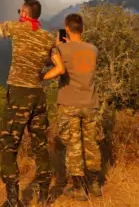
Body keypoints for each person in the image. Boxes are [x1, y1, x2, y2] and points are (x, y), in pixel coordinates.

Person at [0, 0, 65, 207]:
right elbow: (60, 68)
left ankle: (13, 200)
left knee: (9, 146)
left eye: (20, 11)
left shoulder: (17, 28)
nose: (19, 13)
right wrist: (41, 77)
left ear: (25, 14)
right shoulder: (47, 37)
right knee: (40, 145)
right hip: (38, 96)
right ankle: (44, 197)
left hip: (19, 95)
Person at [54, 13, 103, 200]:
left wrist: (58, 46)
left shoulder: (62, 49)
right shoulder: (94, 49)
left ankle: (79, 189)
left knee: (73, 147)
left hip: (69, 104)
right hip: (90, 104)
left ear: (66, 29)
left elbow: (54, 65)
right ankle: (96, 185)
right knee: (92, 145)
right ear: (82, 29)